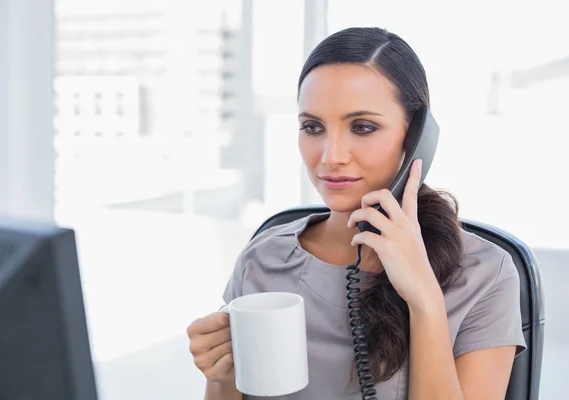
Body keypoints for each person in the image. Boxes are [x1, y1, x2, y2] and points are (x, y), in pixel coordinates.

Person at [186, 27, 526, 400]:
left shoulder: (485, 274)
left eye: (363, 127)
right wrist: (220, 377)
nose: (331, 156)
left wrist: (425, 301)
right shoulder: (263, 260)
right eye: (311, 127)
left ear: (417, 139)